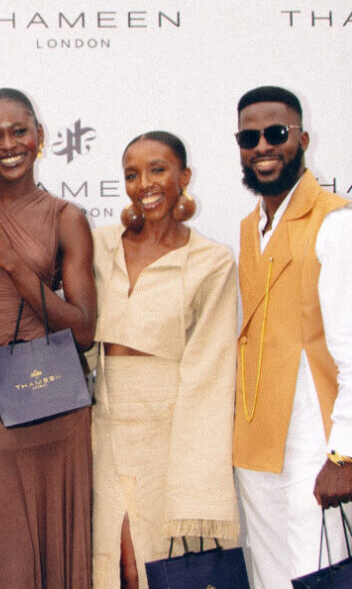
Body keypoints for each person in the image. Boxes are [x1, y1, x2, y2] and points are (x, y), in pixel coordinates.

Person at [231, 86, 352, 589]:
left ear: (302, 139)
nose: (263, 147)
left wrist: (342, 453)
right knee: (271, 579)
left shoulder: (341, 221)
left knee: (319, 575)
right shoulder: (250, 227)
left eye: (276, 133)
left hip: (315, 446)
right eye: (249, 138)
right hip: (257, 445)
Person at [0, 87, 97, 589]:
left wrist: (13, 263)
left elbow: (84, 330)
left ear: (40, 136)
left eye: (18, 132)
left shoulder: (66, 217)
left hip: (51, 403)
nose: (8, 145)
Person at [91, 131, 240, 589]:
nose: (144, 184)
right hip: (102, 430)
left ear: (184, 176)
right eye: (132, 174)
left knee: (153, 567)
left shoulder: (212, 261)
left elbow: (211, 369)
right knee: (108, 565)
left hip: (171, 433)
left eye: (157, 170)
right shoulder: (100, 245)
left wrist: (195, 471)